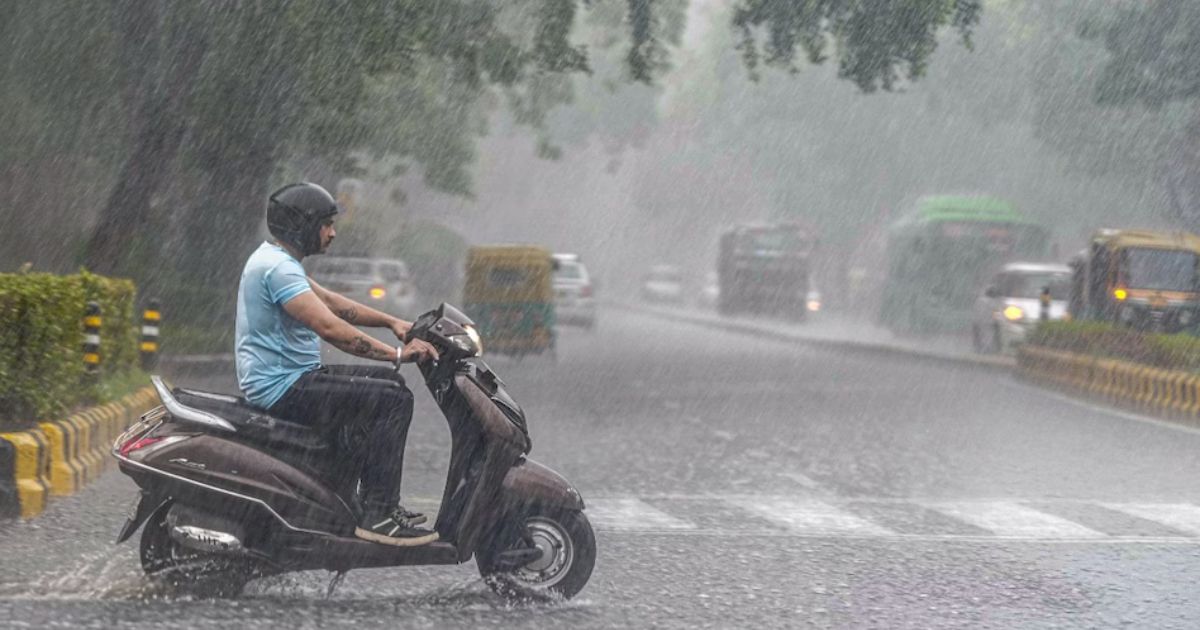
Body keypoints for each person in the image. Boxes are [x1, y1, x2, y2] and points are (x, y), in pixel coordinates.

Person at [235, 182, 440, 546]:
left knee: (390, 386)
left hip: (292, 379)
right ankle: (379, 513)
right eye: (326, 224)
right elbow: (330, 327)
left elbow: (332, 302)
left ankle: (358, 502)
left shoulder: (278, 261)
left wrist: (393, 323)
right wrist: (396, 355)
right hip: (283, 387)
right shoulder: (277, 270)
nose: (333, 232)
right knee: (392, 400)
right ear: (302, 225)